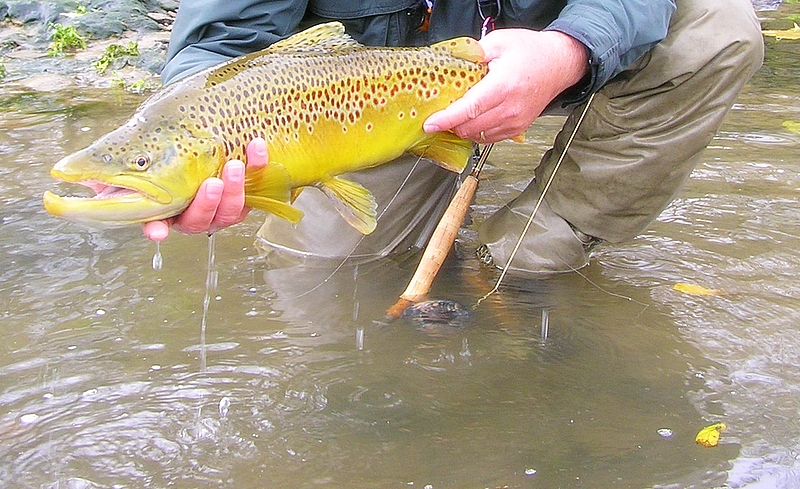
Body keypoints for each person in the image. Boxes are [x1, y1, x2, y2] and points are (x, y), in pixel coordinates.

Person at [144, 0, 764, 275]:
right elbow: (220, 44)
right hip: (365, 107)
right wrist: (202, 150)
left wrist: (570, 49)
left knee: (719, 28)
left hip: (562, 52)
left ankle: (530, 252)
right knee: (317, 276)